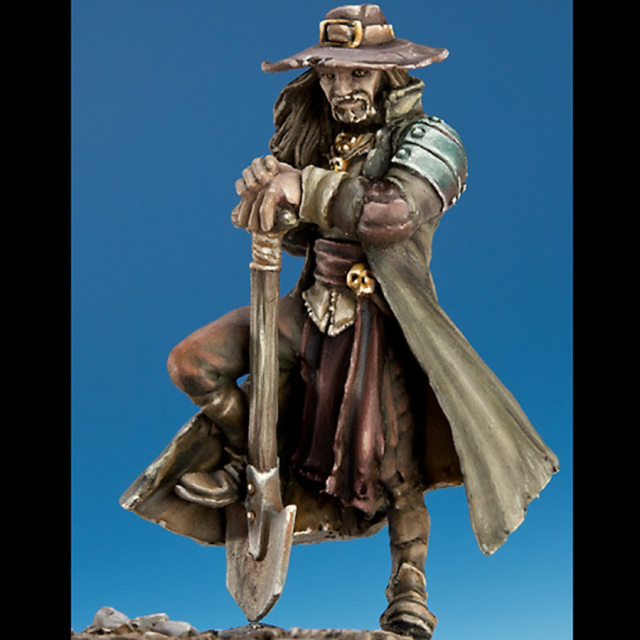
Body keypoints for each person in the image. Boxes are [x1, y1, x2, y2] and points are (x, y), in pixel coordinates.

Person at [121, 6, 559, 639]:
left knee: (397, 465)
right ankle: (253, 460)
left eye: (357, 74)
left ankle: (409, 585)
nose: (340, 88)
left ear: (388, 75)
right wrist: (267, 192)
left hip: (386, 319)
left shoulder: (432, 140)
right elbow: (302, 231)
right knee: (193, 363)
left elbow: (390, 215)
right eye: (329, 75)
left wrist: (303, 187)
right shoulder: (321, 135)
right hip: (310, 307)